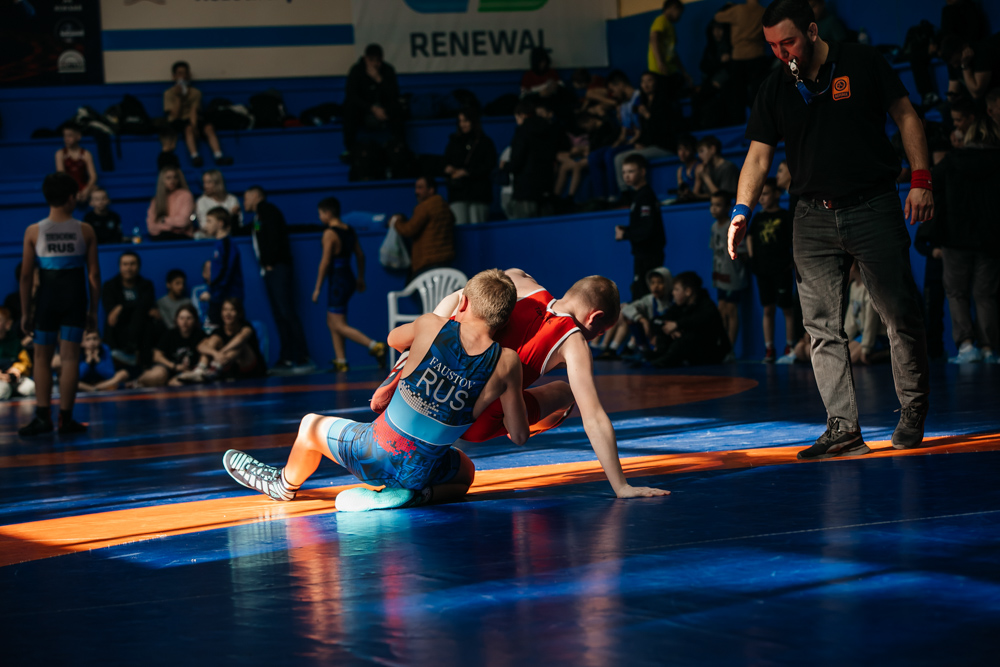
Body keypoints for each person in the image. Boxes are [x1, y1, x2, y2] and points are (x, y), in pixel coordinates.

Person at [727, 0, 934, 458]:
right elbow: (758, 155)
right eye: (772, 46)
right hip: (811, 216)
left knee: (899, 314)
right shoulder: (775, 85)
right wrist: (742, 209)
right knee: (820, 327)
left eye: (788, 42)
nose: (782, 53)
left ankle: (913, 408)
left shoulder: (861, 61)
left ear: (813, 31)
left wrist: (921, 180)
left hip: (873, 204)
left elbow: (906, 116)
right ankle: (843, 427)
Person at [223, 269, 530, 511]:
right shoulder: (507, 363)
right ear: (503, 323)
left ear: (462, 304)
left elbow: (393, 340)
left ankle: (283, 485)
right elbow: (518, 435)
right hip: (421, 472)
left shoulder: (431, 324)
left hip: (372, 455)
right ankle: (415, 496)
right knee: (465, 471)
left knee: (309, 426)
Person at [375, 270, 671, 500]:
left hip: (428, 384)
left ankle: (405, 362)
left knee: (445, 320)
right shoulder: (574, 342)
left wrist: (438, 324)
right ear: (595, 318)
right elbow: (593, 416)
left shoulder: (519, 279)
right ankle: (517, 422)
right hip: (473, 420)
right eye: (601, 331)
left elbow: (462, 297)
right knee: (568, 393)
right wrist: (621, 486)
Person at [18, 172, 100, 436]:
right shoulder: (85, 230)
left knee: (41, 358)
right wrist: (93, 310)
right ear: (72, 198)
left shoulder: (34, 231)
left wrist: (25, 312)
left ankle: (43, 417)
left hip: (46, 300)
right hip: (75, 299)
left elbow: (26, 276)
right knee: (70, 357)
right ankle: (66, 418)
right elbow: (94, 275)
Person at [932, 116, 1000, 364]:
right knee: (986, 295)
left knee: (957, 293)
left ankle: (966, 346)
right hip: (990, 239)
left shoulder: (953, 160)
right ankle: (989, 348)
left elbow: (933, 182)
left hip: (955, 237)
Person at [312, 197, 387, 372]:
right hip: (348, 277)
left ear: (328, 213)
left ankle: (375, 346)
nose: (320, 217)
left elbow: (325, 262)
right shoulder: (349, 230)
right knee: (333, 321)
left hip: (337, 282)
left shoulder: (329, 233)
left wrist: (317, 288)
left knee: (338, 324)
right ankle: (341, 361)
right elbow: (360, 255)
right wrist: (360, 278)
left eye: (320, 214)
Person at [244, 186, 312, 372]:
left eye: (246, 197)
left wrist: (270, 262)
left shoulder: (268, 211)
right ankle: (287, 358)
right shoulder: (258, 216)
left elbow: (274, 237)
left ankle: (304, 357)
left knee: (286, 312)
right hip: (271, 271)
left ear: (256, 196)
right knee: (280, 315)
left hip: (278, 269)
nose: (244, 202)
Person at [747, 178, 797, 362]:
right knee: (767, 309)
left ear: (776, 194)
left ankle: (789, 346)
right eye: (759, 194)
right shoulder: (758, 217)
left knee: (786, 308)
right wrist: (752, 259)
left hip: (782, 270)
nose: (761, 198)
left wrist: (791, 262)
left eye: (766, 193)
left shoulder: (785, 216)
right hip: (763, 271)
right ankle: (769, 349)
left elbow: (793, 240)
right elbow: (750, 237)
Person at [611, 71, 676, 196]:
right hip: (650, 145)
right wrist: (641, 142)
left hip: (664, 146)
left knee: (620, 159)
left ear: (656, 83)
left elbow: (663, 129)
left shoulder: (664, 102)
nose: (645, 84)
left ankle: (626, 194)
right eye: (643, 81)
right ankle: (628, 192)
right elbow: (644, 131)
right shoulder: (643, 103)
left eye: (649, 80)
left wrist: (647, 115)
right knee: (618, 157)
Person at [650, 271, 732, 367]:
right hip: (694, 354)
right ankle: (657, 356)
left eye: (676, 289)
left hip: (713, 353)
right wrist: (669, 328)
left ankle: (664, 360)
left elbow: (699, 320)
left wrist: (677, 325)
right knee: (665, 333)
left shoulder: (707, 305)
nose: (673, 293)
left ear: (688, 291)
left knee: (686, 338)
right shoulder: (679, 306)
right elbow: (655, 321)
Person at [160, 61, 232, 167]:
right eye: (180, 73)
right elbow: (175, 115)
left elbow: (194, 111)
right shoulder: (168, 93)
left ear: (189, 75)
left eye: (185, 73)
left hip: (192, 119)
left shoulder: (196, 92)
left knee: (208, 127)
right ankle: (195, 157)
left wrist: (195, 127)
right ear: (174, 76)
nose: (183, 76)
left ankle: (219, 156)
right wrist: (179, 97)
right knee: (188, 128)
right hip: (176, 121)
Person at [615, 153, 666, 301]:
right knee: (639, 295)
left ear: (642, 172)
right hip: (642, 254)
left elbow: (647, 230)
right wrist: (626, 229)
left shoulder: (645, 196)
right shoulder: (638, 195)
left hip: (649, 255)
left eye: (631, 171)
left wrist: (625, 235)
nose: (626, 176)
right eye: (624, 172)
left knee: (644, 297)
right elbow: (642, 225)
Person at [342, 44, 404, 156]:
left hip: (384, 109)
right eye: (371, 60)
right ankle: (351, 149)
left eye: (378, 61)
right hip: (364, 110)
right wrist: (372, 109)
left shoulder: (388, 70)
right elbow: (352, 95)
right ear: (365, 58)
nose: (375, 64)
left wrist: (378, 79)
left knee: (398, 107)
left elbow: (394, 95)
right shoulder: (356, 70)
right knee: (349, 107)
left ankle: (399, 147)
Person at [390, 176, 456, 279]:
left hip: (428, 262)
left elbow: (408, 230)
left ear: (431, 190)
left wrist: (395, 221)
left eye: (420, 188)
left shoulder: (425, 207)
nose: (416, 191)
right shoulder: (444, 205)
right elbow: (453, 219)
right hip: (445, 260)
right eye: (416, 188)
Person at [102, 250, 157, 368]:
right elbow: (110, 309)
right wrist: (131, 307)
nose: (129, 268)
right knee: (112, 318)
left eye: (132, 264)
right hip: (119, 328)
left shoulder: (146, 285)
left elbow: (145, 304)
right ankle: (119, 355)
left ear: (138, 266)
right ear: (120, 266)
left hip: (141, 329)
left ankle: (140, 360)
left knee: (143, 316)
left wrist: (121, 306)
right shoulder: (110, 285)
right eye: (125, 264)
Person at [443, 107, 497, 225]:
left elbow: (490, 165)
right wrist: (448, 168)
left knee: (477, 227)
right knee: (461, 226)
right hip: (458, 192)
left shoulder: (485, 142)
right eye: (460, 121)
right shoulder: (454, 141)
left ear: (473, 121)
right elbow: (445, 161)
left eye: (466, 120)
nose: (462, 124)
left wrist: (468, 172)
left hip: (479, 193)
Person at [193, 298, 265, 381]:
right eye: (225, 310)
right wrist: (215, 353)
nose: (228, 313)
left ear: (239, 313)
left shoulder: (246, 326)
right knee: (213, 339)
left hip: (250, 368)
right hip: (227, 368)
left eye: (232, 310)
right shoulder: (218, 331)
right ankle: (200, 371)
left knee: (239, 345)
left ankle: (215, 368)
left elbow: (241, 338)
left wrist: (222, 352)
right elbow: (200, 346)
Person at [507, 100, 559, 218]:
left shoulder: (522, 131)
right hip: (546, 187)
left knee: (525, 227)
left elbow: (517, 161)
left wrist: (505, 166)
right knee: (546, 226)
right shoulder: (549, 129)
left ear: (522, 115)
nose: (517, 121)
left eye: (517, 118)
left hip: (525, 190)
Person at [710, 190, 748, 352]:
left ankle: (730, 349)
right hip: (720, 275)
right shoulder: (714, 227)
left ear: (727, 207)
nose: (714, 208)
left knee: (731, 310)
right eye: (712, 205)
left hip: (733, 276)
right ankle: (723, 347)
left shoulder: (732, 225)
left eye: (718, 205)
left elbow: (743, 253)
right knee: (721, 310)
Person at [714, 0, 770, 109]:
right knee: (758, 92)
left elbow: (718, 17)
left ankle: (742, 117)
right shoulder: (763, 11)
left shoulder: (738, 10)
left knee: (738, 93)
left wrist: (729, 7)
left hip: (739, 56)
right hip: (758, 54)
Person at [135, 304, 207, 387]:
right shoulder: (170, 334)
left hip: (189, 371)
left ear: (195, 320)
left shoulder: (200, 335)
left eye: (189, 318)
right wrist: (174, 366)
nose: (185, 322)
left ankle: (167, 382)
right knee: (158, 375)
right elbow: (156, 356)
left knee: (181, 382)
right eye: (181, 318)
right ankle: (136, 382)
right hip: (168, 368)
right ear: (176, 319)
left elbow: (204, 355)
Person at [202, 207, 244, 327]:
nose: (206, 225)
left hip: (228, 299)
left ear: (220, 223)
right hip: (219, 297)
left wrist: (212, 293)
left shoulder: (227, 244)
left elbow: (225, 272)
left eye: (209, 221)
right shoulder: (219, 244)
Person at [844, 261, 889, 366]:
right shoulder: (853, 287)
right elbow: (851, 319)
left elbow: (871, 321)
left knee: (851, 358)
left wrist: (866, 348)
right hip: (864, 335)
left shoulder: (869, 287)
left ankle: (887, 353)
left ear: (853, 266)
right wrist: (845, 340)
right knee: (844, 355)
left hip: (878, 336)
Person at [648, 0, 691, 98]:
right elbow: (653, 38)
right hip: (659, 70)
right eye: (680, 12)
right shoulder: (661, 20)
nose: (680, 16)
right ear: (673, 7)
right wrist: (659, 62)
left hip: (669, 70)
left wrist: (684, 72)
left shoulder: (671, 27)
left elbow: (673, 52)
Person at [942, 30, 1000, 101]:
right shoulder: (952, 61)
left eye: (957, 62)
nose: (955, 66)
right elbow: (953, 90)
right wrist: (952, 98)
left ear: (965, 48)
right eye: (952, 64)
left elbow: (976, 93)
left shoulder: (982, 53)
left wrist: (965, 66)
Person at [147, 167, 195, 241]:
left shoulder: (185, 195)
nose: (172, 181)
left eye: (175, 177)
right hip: (160, 238)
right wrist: (169, 227)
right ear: (162, 180)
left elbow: (183, 222)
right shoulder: (156, 200)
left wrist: (163, 220)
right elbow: (151, 227)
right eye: (168, 178)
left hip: (182, 237)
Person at [55, 124, 97, 202]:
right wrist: (73, 191)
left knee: (97, 192)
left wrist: (86, 190)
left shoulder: (86, 154)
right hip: (67, 186)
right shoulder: (60, 153)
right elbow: (62, 177)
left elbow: (93, 176)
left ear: (78, 136)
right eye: (64, 136)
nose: (66, 139)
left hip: (83, 187)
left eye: (69, 136)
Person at [195, 170, 241, 238]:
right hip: (209, 238)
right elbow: (204, 226)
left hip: (230, 236)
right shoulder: (201, 201)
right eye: (204, 182)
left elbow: (239, 223)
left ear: (218, 183)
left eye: (209, 182)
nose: (205, 186)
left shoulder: (232, 199)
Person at [693, 135, 740, 200]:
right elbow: (695, 195)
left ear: (713, 149)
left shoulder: (728, 167)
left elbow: (722, 198)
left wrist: (705, 177)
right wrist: (698, 177)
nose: (699, 155)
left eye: (701, 151)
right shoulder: (706, 168)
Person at [674, 134, 699, 201]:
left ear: (693, 150)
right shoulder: (680, 170)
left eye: (686, 149)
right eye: (680, 149)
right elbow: (681, 191)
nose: (682, 153)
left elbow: (694, 195)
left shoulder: (699, 167)